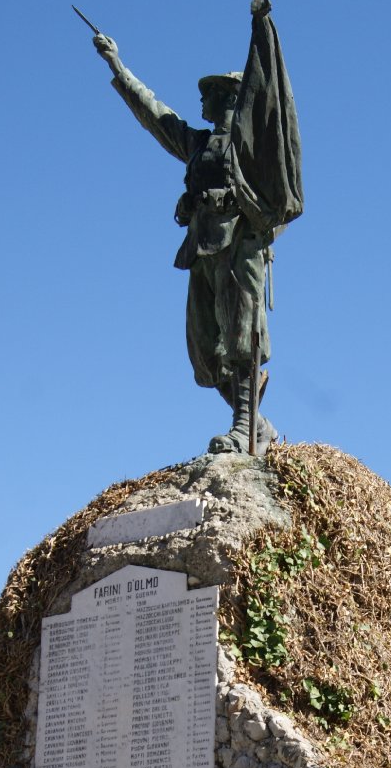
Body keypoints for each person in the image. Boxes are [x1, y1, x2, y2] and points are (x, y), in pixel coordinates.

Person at [92, 34, 280, 454]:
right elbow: (157, 116)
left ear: (231, 98)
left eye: (209, 94)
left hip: (239, 244)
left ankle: (244, 425)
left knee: (240, 337)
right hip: (201, 247)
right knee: (205, 349)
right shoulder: (198, 144)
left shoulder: (251, 149)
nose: (201, 101)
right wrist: (118, 69)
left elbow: (278, 190)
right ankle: (258, 424)